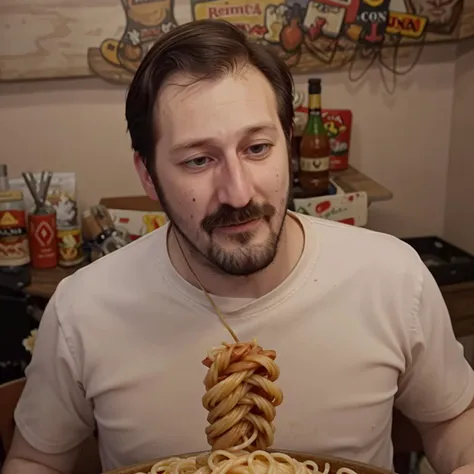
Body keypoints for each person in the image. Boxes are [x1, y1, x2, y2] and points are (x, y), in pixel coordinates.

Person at [3, 19, 474, 474]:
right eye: (199, 159)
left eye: (257, 148)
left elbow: (452, 418)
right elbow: (36, 459)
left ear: (288, 146)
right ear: (147, 174)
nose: (238, 193)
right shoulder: (82, 310)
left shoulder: (392, 277)